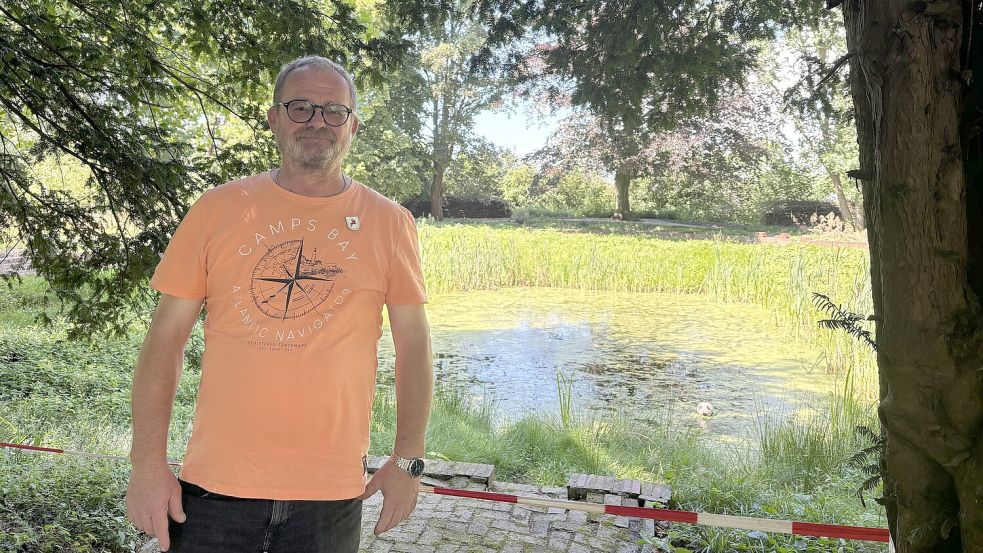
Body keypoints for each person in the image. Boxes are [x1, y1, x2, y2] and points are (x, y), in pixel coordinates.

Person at [125, 56, 434, 553]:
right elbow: (165, 342)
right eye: (300, 107)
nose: (317, 121)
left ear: (352, 126)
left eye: (333, 111)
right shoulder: (217, 209)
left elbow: (414, 347)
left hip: (330, 496)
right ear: (274, 118)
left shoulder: (389, 222)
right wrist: (147, 465)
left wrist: (408, 461)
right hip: (214, 490)